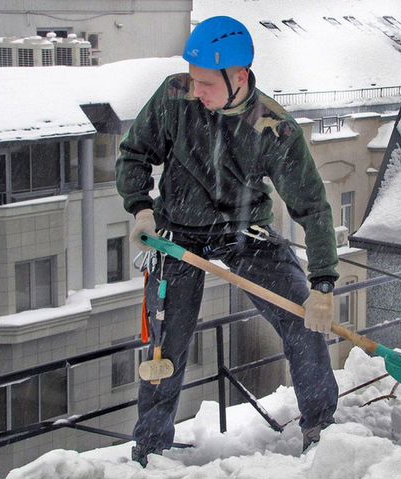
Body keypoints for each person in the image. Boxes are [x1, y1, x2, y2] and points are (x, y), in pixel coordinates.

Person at [116, 16, 339, 468]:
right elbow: (135, 153)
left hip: (246, 235)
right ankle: (150, 451)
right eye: (194, 79)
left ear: (239, 77)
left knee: (303, 321)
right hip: (176, 233)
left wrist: (323, 284)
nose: (196, 89)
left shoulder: (273, 127)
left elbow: (312, 207)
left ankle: (320, 430)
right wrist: (141, 207)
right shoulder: (176, 96)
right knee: (165, 346)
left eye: (206, 83)